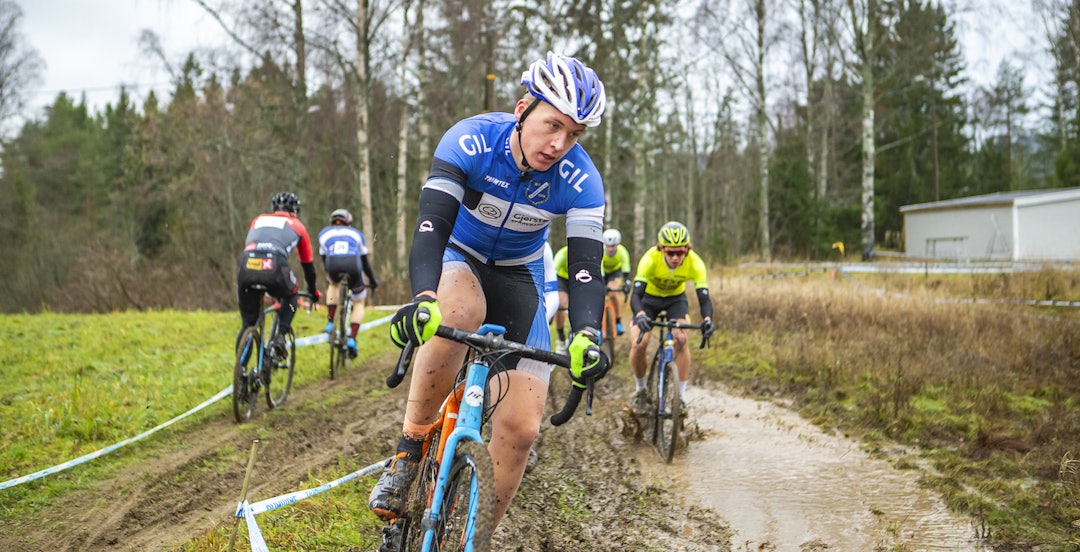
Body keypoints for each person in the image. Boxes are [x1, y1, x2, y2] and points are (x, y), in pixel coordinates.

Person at [369, 51, 611, 529]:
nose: (560, 144)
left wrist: (587, 332)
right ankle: (409, 451)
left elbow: (586, 268)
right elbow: (430, 228)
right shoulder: (472, 140)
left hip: (521, 274)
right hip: (459, 254)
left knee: (522, 430)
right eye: (552, 125)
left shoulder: (581, 180)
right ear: (523, 109)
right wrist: (423, 298)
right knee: (460, 309)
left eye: (574, 134)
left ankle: (474, 538)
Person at [627, 221, 715, 415]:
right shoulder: (650, 259)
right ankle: (641, 390)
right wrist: (640, 315)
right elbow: (635, 296)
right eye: (670, 253)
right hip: (648, 300)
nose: (675, 257)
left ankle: (680, 398)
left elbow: (704, 298)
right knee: (639, 343)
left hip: (676, 300)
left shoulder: (695, 262)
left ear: (687, 250)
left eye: (680, 253)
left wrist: (707, 319)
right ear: (661, 249)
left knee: (682, 339)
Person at [235, 192, 321, 354]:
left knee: (248, 324)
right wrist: (313, 291)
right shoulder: (298, 226)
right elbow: (308, 266)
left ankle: (241, 372)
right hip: (274, 266)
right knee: (291, 294)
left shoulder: (258, 219)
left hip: (247, 266)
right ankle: (281, 335)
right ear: (295, 211)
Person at [318, 208, 379, 357]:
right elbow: (364, 263)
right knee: (358, 302)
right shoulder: (357, 234)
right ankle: (352, 337)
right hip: (353, 266)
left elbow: (324, 259)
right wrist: (372, 281)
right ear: (349, 223)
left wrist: (331, 274)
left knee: (333, 285)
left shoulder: (324, 233)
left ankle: (331, 322)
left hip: (333, 264)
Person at [600, 228, 632, 335]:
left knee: (613, 292)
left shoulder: (623, 252)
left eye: (613, 246)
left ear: (617, 244)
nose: (610, 249)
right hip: (602, 272)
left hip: (615, 272)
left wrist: (627, 283)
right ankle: (599, 326)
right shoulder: (600, 251)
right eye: (608, 246)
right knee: (600, 295)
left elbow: (626, 272)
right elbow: (600, 271)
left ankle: (618, 321)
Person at [551, 244, 570, 354]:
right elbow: (552, 275)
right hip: (562, 279)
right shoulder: (563, 254)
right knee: (561, 304)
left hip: (577, 278)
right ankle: (561, 338)